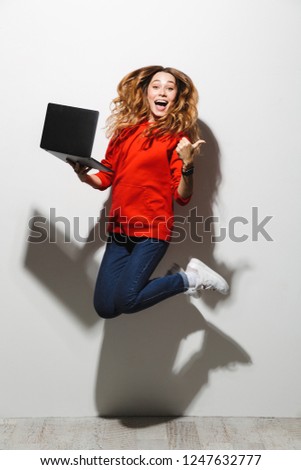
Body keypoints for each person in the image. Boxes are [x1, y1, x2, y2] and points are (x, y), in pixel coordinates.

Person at [69, 65, 229, 319]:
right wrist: (84, 176)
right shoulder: (125, 131)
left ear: (177, 97)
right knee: (106, 307)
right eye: (156, 86)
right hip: (120, 229)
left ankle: (189, 278)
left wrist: (188, 165)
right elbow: (107, 176)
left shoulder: (178, 138)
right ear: (146, 93)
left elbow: (182, 197)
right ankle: (183, 278)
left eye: (169, 87)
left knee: (127, 300)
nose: (162, 92)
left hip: (152, 231)